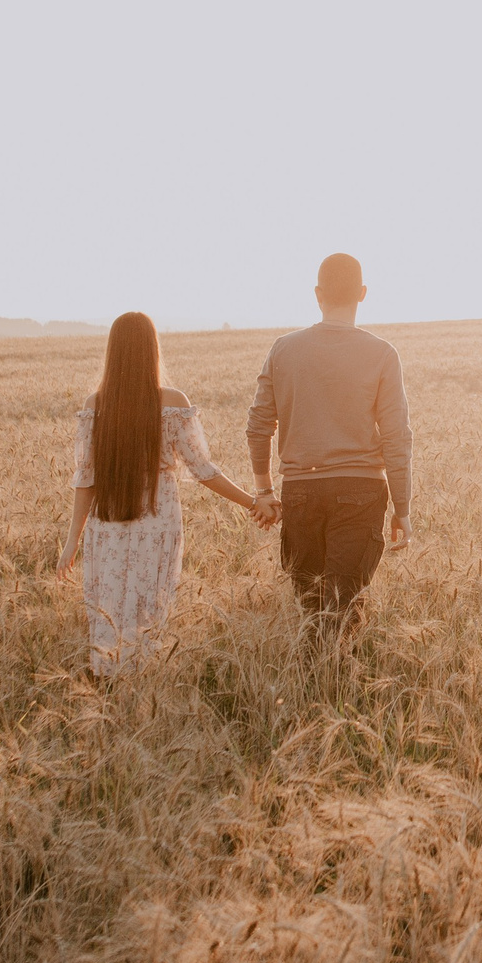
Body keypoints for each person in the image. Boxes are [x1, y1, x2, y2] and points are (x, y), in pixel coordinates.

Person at [60, 311, 267, 675]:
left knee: (108, 603)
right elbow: (204, 471)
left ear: (113, 352)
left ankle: (106, 680)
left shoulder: (96, 405)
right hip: (156, 521)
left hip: (106, 524)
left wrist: (71, 543)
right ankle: (143, 681)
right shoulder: (171, 403)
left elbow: (85, 481)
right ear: (152, 350)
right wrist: (253, 501)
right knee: (148, 606)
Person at [247, 253, 413, 633]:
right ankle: (337, 686)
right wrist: (401, 506)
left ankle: (309, 687)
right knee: (344, 610)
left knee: (312, 612)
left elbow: (258, 426)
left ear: (317, 294)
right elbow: (396, 437)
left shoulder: (283, 349)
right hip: (362, 490)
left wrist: (264, 490)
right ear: (363, 293)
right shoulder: (383, 354)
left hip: (300, 490)